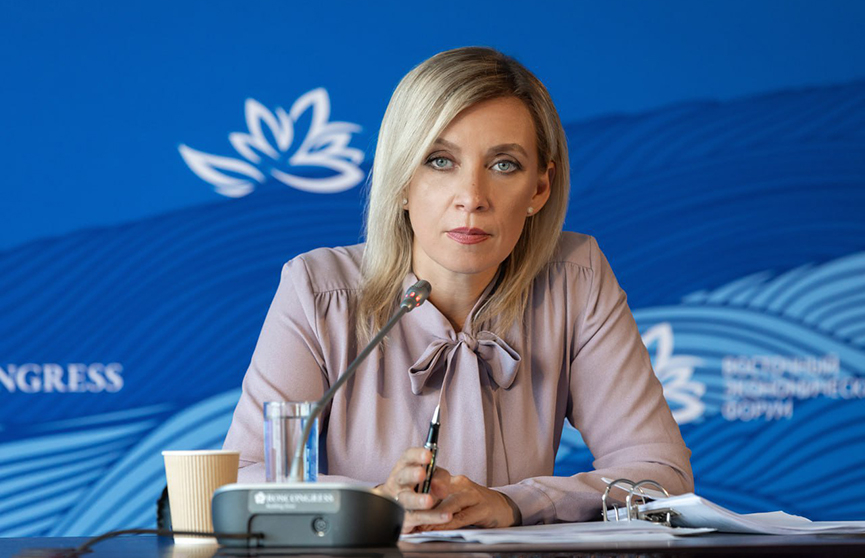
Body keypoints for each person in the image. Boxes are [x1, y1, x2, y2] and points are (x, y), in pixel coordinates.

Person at [223, 46, 693, 532]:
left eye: (504, 164)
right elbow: (244, 479)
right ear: (401, 181)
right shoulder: (317, 291)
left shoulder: (576, 279)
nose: (471, 197)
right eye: (440, 160)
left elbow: (661, 476)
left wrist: (514, 503)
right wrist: (375, 504)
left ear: (539, 188)